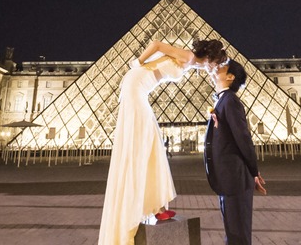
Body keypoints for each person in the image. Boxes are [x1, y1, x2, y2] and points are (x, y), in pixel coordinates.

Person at [98, 38, 227, 245]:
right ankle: (154, 206)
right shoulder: (188, 56)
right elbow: (157, 44)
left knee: (151, 143)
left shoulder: (191, 62)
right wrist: (137, 62)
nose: (214, 68)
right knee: (145, 142)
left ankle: (157, 207)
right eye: (216, 63)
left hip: (139, 89)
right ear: (209, 58)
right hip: (136, 88)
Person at [204, 59, 266, 245]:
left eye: (222, 66)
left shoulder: (230, 101)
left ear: (230, 77)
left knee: (237, 235)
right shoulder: (224, 100)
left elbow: (244, 139)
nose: (216, 67)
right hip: (229, 179)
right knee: (233, 233)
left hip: (235, 179)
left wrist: (254, 172)